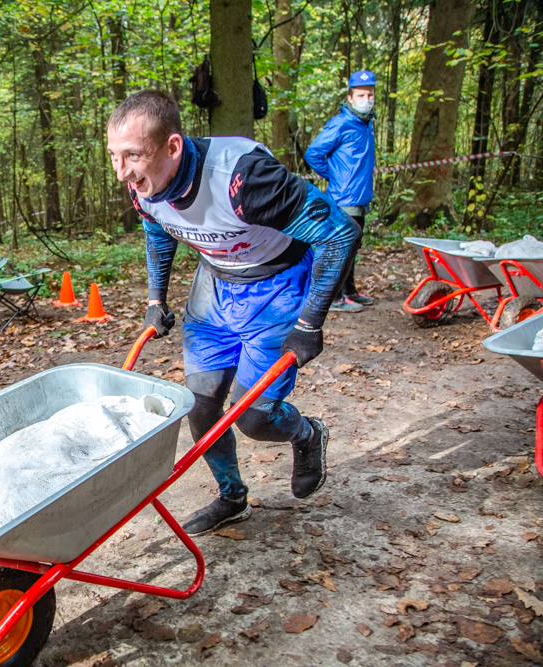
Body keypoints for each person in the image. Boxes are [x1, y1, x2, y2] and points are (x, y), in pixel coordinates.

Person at [106, 90, 360, 535]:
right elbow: (158, 229)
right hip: (214, 289)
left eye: (133, 155)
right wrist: (154, 300)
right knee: (201, 408)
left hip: (276, 288)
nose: (122, 172)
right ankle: (232, 496)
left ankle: (307, 434)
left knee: (254, 417)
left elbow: (340, 234)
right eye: (113, 156)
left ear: (172, 147)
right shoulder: (142, 185)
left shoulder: (243, 179)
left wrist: (309, 324)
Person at [304, 69, 378, 313]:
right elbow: (313, 152)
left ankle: (350, 291)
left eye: (370, 95)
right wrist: (333, 175)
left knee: (353, 247)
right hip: (343, 197)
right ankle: (333, 298)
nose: (366, 99)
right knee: (341, 248)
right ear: (350, 97)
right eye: (361, 95)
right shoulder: (341, 123)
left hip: (361, 197)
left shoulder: (366, 125)